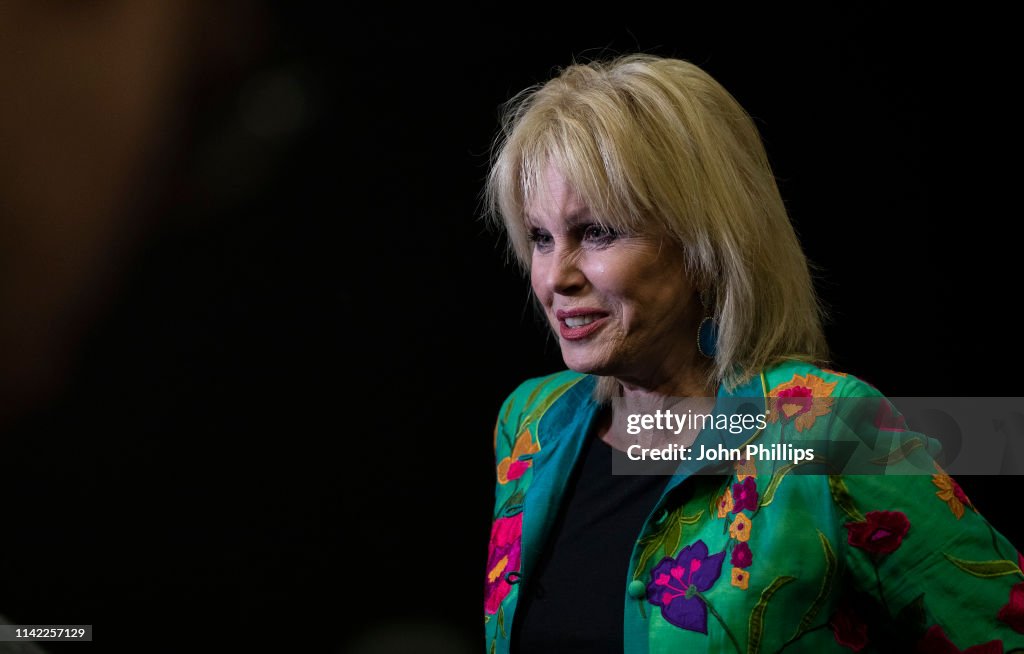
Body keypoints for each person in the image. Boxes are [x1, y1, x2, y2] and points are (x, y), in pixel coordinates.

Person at [480, 53, 1024, 653]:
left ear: (703, 243)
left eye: (599, 232)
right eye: (540, 238)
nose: (557, 276)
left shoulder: (829, 427)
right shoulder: (529, 423)